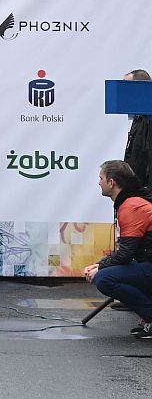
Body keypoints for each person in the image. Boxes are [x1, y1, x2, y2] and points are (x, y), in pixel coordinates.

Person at [84, 159, 152, 338]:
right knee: (112, 271)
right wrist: (101, 264)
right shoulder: (133, 201)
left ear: (111, 182)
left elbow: (126, 253)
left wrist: (99, 267)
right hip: (146, 262)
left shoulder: (132, 206)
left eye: (101, 178)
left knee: (104, 278)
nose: (99, 182)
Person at [125, 70, 152, 187]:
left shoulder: (148, 118)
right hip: (136, 183)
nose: (124, 92)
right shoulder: (139, 116)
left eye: (127, 86)